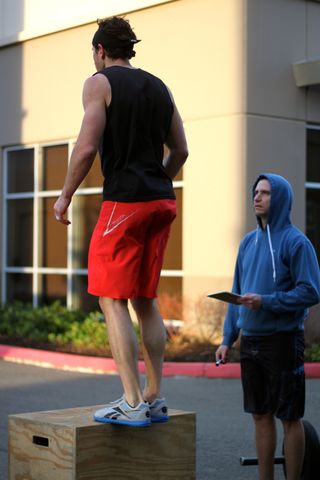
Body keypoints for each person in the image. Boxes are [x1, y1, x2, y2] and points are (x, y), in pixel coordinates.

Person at [54, 16, 188, 427]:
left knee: (111, 297)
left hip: (125, 203)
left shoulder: (99, 83)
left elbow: (86, 147)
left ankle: (131, 402)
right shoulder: (160, 87)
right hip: (162, 202)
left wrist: (64, 196)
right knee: (143, 297)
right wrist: (156, 183)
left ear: (99, 51)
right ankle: (155, 395)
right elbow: (180, 150)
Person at [215, 173, 320, 480]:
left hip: (283, 340)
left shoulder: (297, 243)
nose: (257, 197)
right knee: (261, 416)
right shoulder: (248, 243)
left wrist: (267, 302)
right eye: (255, 192)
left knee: (289, 417)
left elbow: (311, 291)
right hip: (251, 342)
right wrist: (226, 338)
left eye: (265, 193)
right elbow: (236, 291)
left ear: (281, 199)